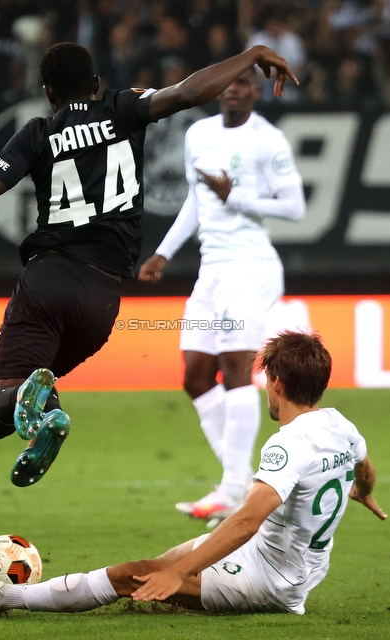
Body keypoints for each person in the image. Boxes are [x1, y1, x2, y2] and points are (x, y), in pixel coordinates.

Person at [0, 42, 298, 488]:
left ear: (48, 93)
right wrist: (251, 55)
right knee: (35, 386)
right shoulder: (124, 108)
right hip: (102, 303)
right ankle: (42, 409)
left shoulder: (36, 134)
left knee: (1, 406)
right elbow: (190, 91)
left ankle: (39, 410)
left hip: (49, 281)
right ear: (95, 83)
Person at [0, 331, 387, 615]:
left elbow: (248, 520)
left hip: (271, 580)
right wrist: (363, 492)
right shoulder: (339, 425)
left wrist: (179, 575)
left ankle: (0, 597)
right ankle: (181, 586)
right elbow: (364, 467)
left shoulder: (286, 443)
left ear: (276, 383)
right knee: (162, 564)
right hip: (295, 563)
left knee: (133, 575)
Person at [137, 67, 306, 527]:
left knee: (234, 367)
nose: (234, 90)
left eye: (244, 84)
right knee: (194, 374)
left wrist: (238, 198)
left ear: (253, 93)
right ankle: (240, 483)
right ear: (217, 92)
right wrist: (164, 252)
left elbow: (295, 206)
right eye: (228, 84)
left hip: (251, 267)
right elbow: (196, 199)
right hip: (212, 271)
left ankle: (233, 489)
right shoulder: (199, 133)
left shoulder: (268, 140)